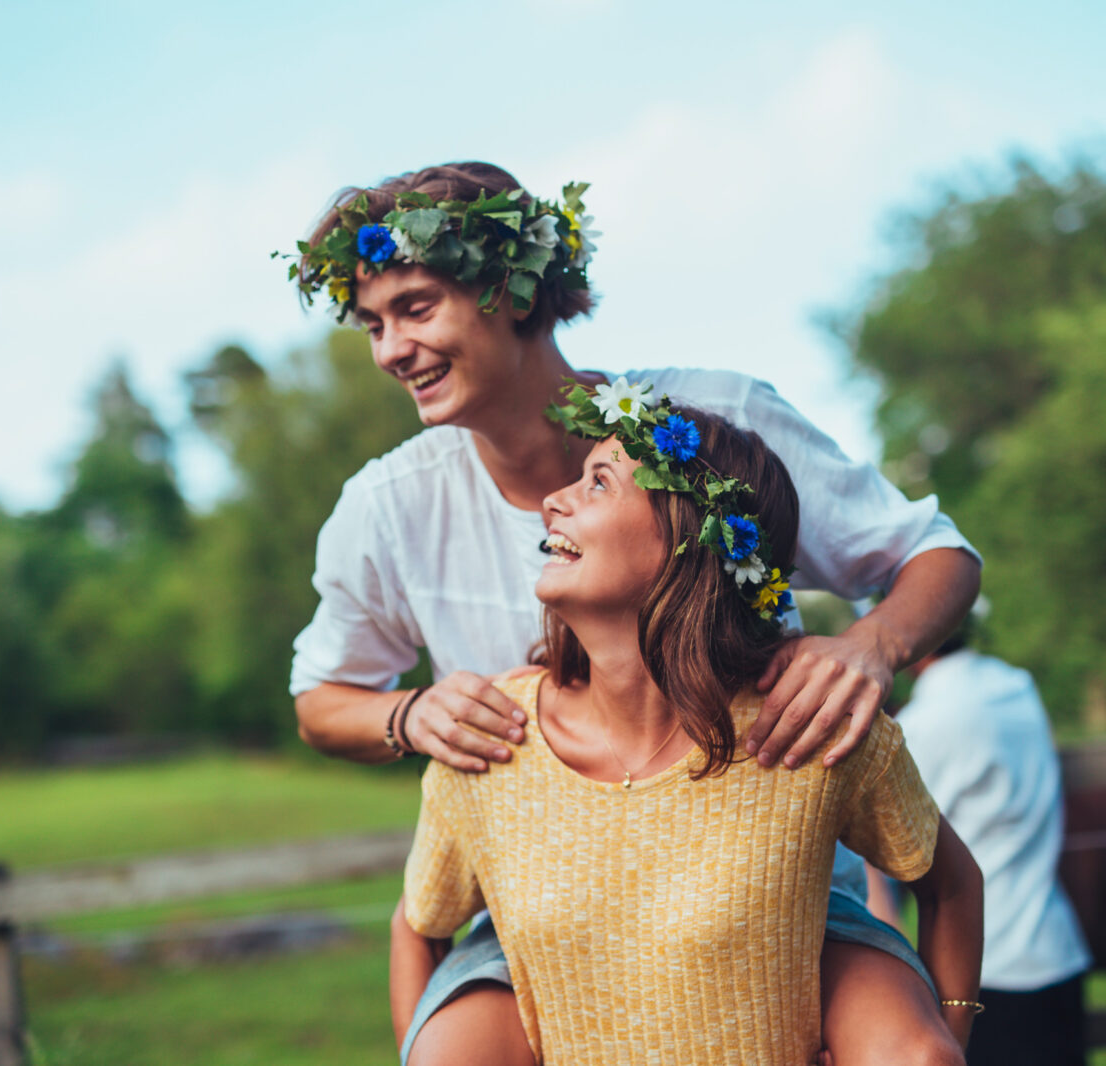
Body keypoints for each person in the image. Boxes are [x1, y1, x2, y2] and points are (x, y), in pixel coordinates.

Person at [285, 162, 984, 1061]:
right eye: (373, 325)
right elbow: (318, 699)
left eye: (415, 309)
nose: (387, 350)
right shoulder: (386, 508)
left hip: (776, 886)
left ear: (511, 288)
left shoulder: (714, 424)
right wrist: (408, 712)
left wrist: (873, 643)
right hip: (544, 913)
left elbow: (937, 554)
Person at [392, 401, 984, 1064]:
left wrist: (949, 1028)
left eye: (598, 483)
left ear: (686, 539)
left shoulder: (808, 723)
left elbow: (952, 885)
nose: (553, 500)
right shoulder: (489, 735)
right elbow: (419, 928)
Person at [865, 623, 1091, 1066]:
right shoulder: (1018, 688)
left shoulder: (924, 725)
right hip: (1057, 948)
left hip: (981, 968)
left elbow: (884, 851)